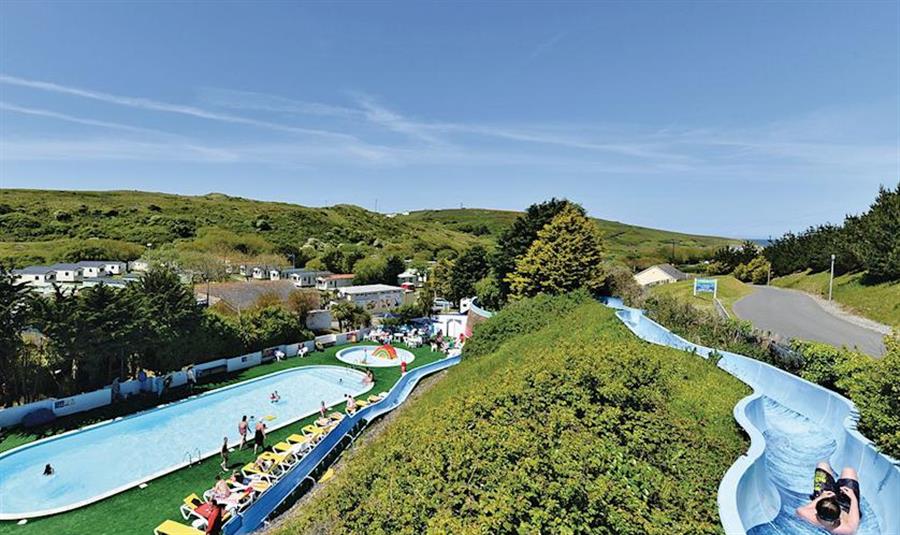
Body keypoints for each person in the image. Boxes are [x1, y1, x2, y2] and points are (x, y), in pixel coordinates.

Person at [796, 461, 861, 534]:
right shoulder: (845, 530)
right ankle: (834, 483)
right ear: (838, 517)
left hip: (824, 496)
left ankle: (832, 481)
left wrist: (821, 497)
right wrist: (853, 498)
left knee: (822, 465)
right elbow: (855, 520)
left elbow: (801, 510)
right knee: (849, 470)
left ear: (816, 511)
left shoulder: (806, 515)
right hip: (846, 506)